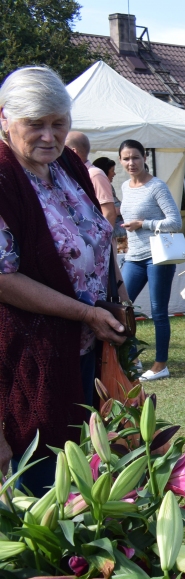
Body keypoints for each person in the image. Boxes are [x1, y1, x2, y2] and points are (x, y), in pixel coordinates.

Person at [0, 65, 127, 491]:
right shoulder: (2, 177)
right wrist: (84, 313)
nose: (49, 136)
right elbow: (3, 277)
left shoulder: (69, 164)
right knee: (43, 480)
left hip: (83, 346)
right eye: (34, 125)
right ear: (4, 118)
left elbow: (101, 233)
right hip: (28, 356)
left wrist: (116, 293)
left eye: (60, 124)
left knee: (84, 471)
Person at [118, 139, 182, 381]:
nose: (131, 163)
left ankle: (160, 364)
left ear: (144, 157)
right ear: (121, 161)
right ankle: (133, 357)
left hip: (159, 256)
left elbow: (175, 222)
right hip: (133, 256)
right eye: (126, 158)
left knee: (158, 311)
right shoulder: (125, 187)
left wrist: (143, 224)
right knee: (123, 308)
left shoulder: (157, 186)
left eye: (135, 157)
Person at [65, 131, 118, 229]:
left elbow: (109, 213)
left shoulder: (94, 174)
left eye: (62, 150)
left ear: (73, 151)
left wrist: (99, 240)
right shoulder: (72, 175)